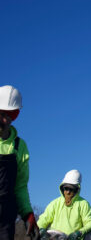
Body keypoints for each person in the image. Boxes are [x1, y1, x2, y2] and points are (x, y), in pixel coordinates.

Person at [0, 85, 38, 240]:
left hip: (5, 219)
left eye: (8, 115)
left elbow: (20, 185)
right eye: (1, 114)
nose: (4, 120)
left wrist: (28, 214)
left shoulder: (19, 146)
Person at [38, 170, 91, 240]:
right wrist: (41, 229)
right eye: (66, 188)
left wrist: (79, 232)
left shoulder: (83, 204)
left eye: (71, 189)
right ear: (62, 188)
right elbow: (44, 219)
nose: (68, 192)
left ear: (77, 189)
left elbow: (90, 223)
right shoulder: (55, 203)